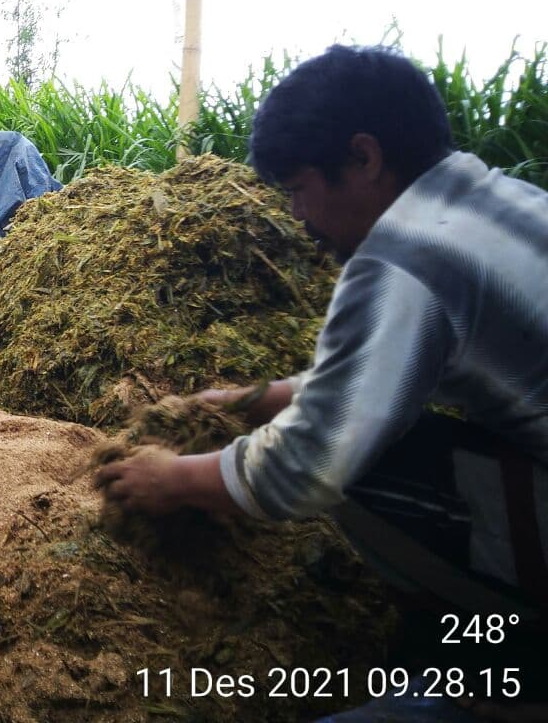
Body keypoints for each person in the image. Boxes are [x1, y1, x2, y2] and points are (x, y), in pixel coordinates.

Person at [95, 45, 548, 624]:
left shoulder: (403, 261)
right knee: (391, 426)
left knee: (362, 471)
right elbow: (372, 377)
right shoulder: (492, 202)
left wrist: (174, 479)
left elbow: (311, 462)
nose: (298, 218)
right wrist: (242, 401)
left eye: (299, 189)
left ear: (363, 157)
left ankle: (506, 658)